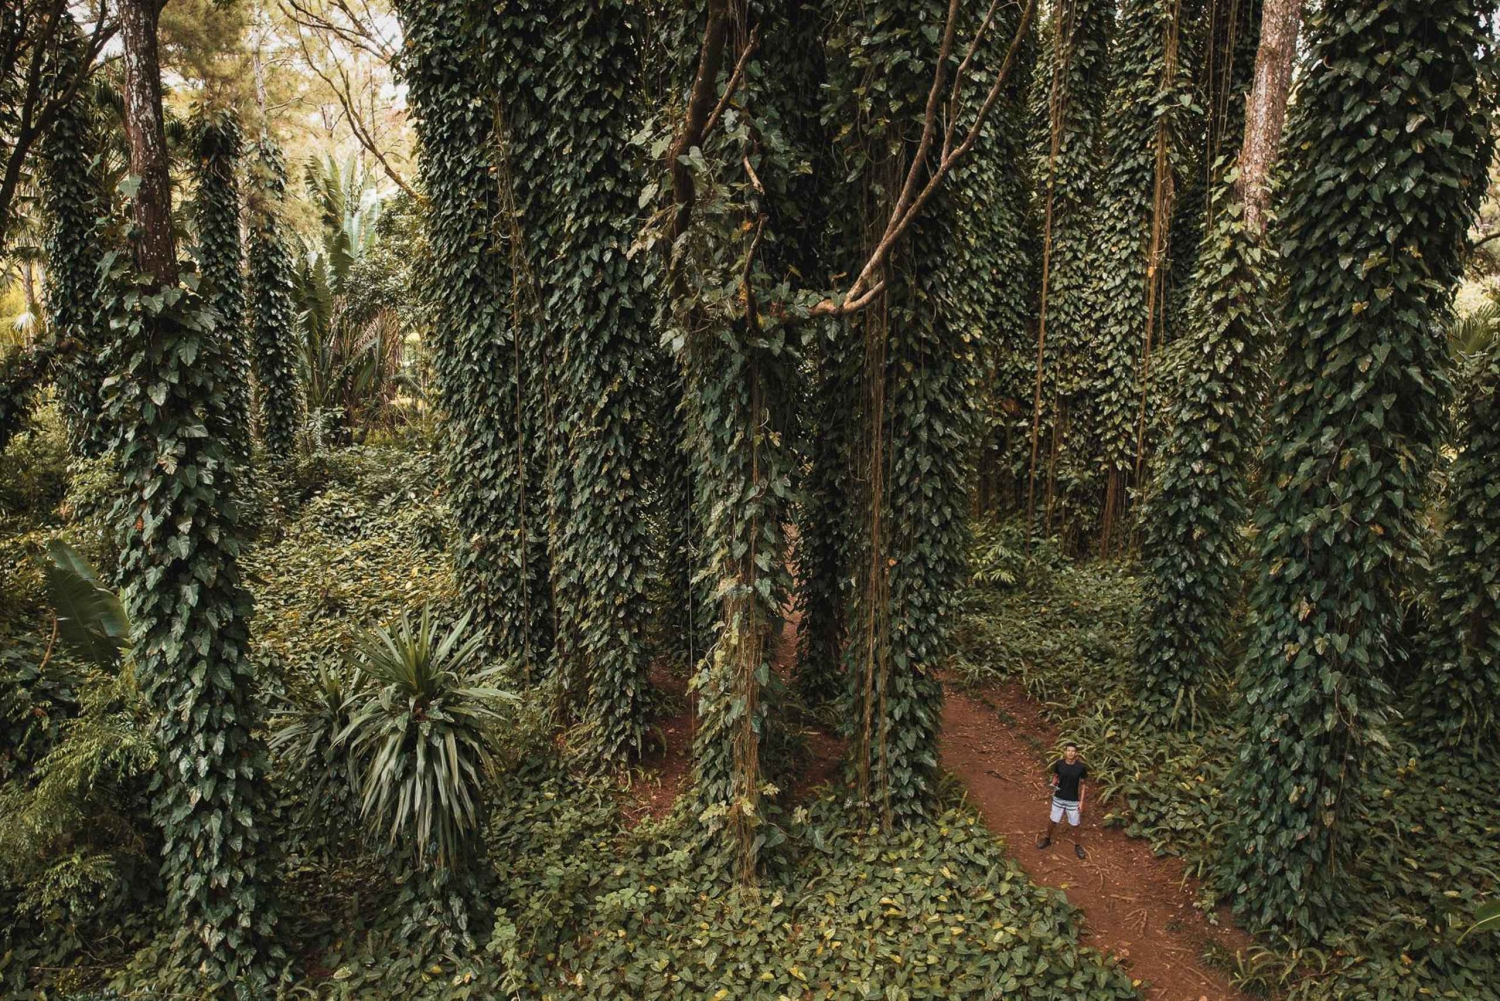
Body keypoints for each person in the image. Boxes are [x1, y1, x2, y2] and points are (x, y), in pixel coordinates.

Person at [1036, 741, 1087, 859]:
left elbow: (1083, 784)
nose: (1070, 753)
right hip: (1059, 797)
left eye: (1073, 751)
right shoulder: (1059, 764)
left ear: (1076, 753)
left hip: (1073, 800)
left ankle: (1078, 846)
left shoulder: (1081, 767)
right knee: (1053, 820)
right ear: (1065, 752)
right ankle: (1047, 839)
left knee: (1075, 824)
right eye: (1068, 750)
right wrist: (1053, 783)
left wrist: (1081, 802)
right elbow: (1056, 776)